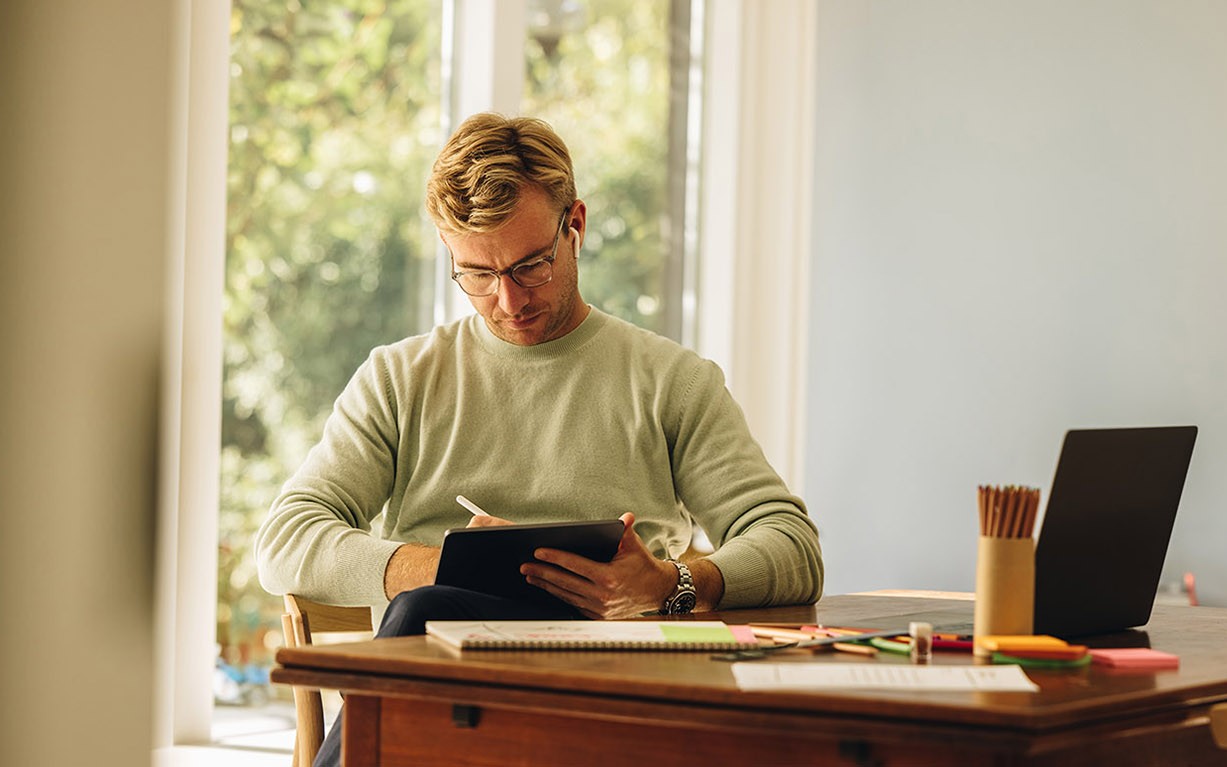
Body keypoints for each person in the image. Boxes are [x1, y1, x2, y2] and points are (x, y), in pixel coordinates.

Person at [255, 113, 823, 767]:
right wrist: (448, 565)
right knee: (431, 607)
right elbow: (286, 538)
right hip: (443, 712)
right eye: (475, 273)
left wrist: (670, 582)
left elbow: (791, 543)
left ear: (574, 226)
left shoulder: (671, 381)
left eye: (531, 265)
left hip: (610, 705)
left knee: (424, 616)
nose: (506, 300)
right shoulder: (400, 379)